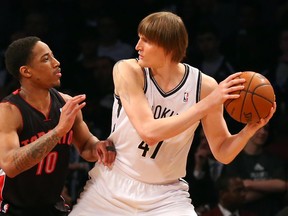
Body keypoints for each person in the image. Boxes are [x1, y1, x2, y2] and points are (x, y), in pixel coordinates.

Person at [69, 11, 276, 216]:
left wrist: (249, 129)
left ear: (167, 46)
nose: (137, 46)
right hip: (112, 185)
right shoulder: (127, 70)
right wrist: (207, 104)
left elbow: (222, 152)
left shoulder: (204, 86)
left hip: (166, 194)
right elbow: (148, 131)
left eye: (145, 41)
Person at [0, 36, 116, 216]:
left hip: (53, 206)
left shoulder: (66, 103)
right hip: (13, 209)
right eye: (46, 59)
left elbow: (86, 147)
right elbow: (10, 165)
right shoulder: (9, 111)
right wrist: (58, 131)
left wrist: (100, 147)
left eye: (53, 56)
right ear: (26, 71)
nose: (56, 63)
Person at [224, 124, 287, 216]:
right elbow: (238, 197)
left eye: (266, 129)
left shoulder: (274, 159)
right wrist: (271, 188)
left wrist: (250, 184)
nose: (263, 132)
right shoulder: (234, 160)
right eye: (258, 128)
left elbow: (282, 185)